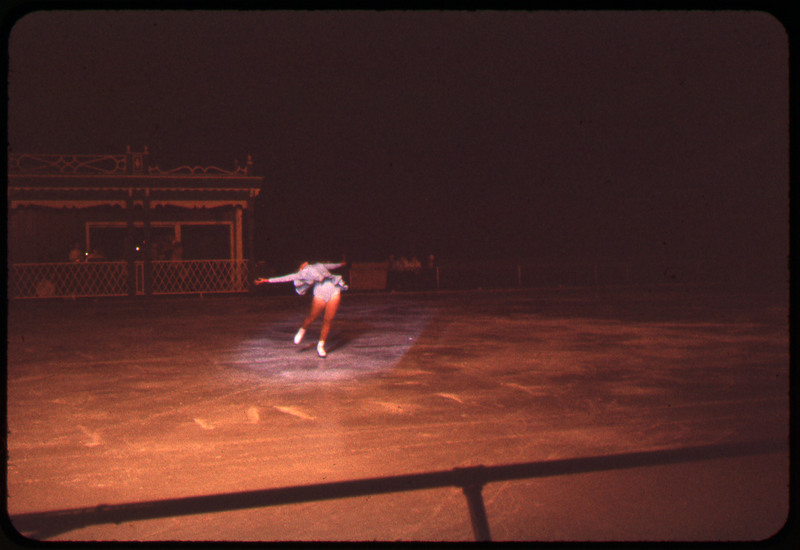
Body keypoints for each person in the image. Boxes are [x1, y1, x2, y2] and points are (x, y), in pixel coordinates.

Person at [254, 261, 348, 357]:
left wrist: (341, 264)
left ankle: (321, 345)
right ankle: (303, 329)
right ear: (300, 268)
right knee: (312, 317)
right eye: (302, 263)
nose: (305, 262)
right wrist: (266, 280)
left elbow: (332, 266)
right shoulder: (301, 274)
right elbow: (285, 278)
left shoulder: (318, 265)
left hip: (334, 290)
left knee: (328, 320)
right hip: (320, 293)